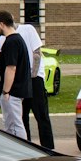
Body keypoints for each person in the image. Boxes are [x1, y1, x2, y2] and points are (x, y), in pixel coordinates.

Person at [0, 10, 31, 139]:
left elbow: (11, 68)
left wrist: (6, 91)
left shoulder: (12, 41)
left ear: (2, 24)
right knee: (11, 124)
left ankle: (21, 152)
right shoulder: (16, 40)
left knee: (14, 124)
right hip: (16, 90)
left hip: (12, 91)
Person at [17, 16, 55, 152]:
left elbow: (37, 54)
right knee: (22, 116)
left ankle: (48, 148)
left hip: (34, 79)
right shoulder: (4, 38)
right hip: (21, 79)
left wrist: (32, 75)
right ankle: (27, 147)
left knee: (41, 115)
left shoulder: (28, 29)